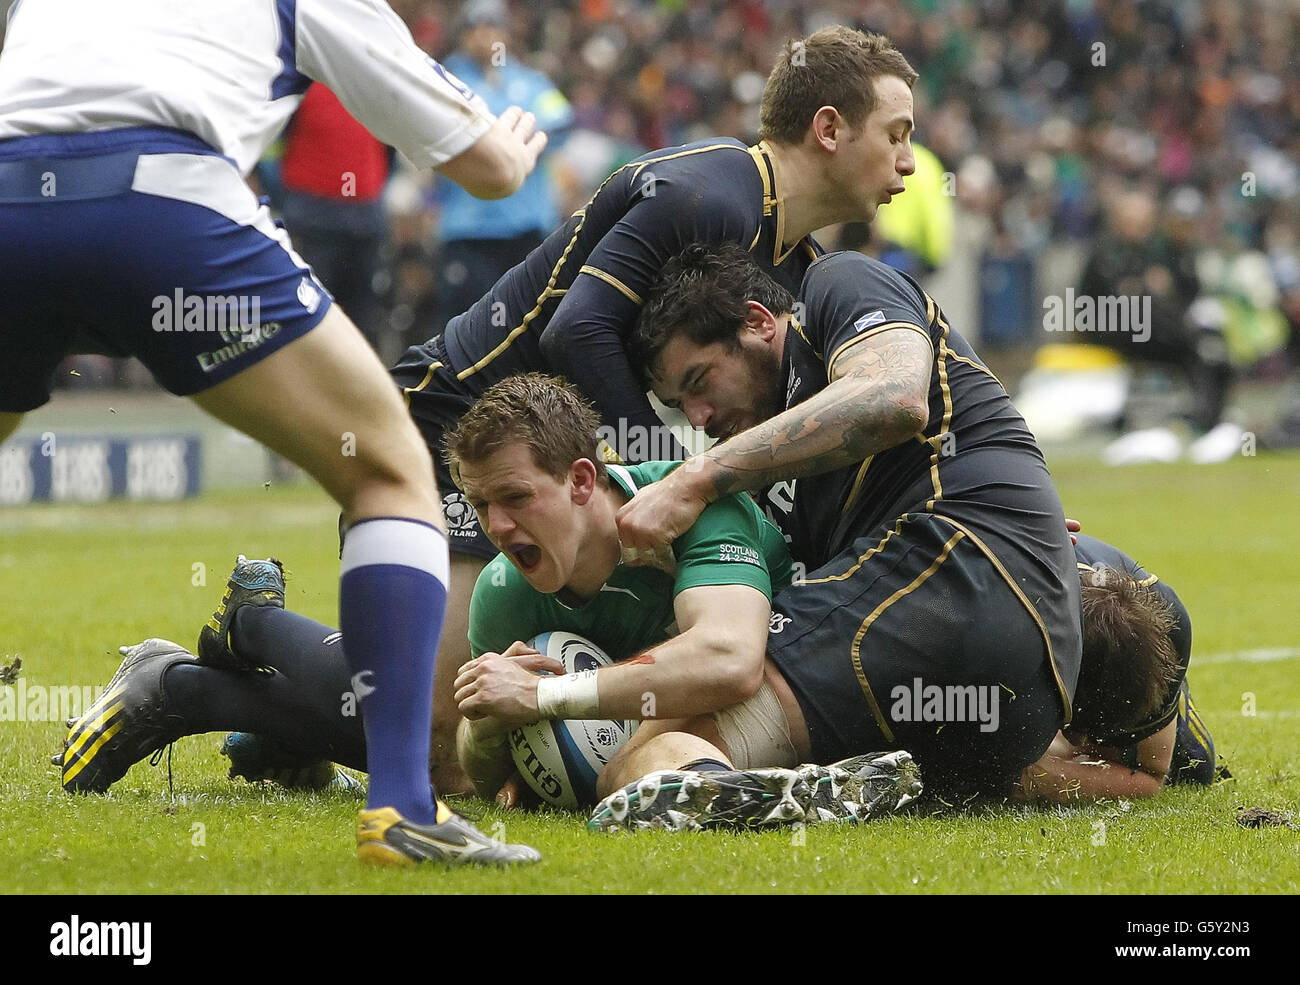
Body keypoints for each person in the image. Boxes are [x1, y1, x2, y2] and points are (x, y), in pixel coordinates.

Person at [64, 377, 1220, 822]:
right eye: (489, 511)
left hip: (675, 687)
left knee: (427, 738)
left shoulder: (710, 534)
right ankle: (226, 652)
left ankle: (209, 666)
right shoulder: (523, 596)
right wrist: (527, 720)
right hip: (641, 687)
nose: (502, 534)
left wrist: (553, 711)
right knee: (422, 738)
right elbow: (493, 766)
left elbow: (721, 661)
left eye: (516, 503)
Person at [1, 0, 546, 866]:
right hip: (163, 204)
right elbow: (483, 168)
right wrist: (514, 152)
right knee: (392, 469)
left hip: (8, 199)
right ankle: (402, 811)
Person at [384, 26, 920, 791]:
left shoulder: (796, 265)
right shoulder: (715, 193)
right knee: (444, 754)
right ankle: (230, 664)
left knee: (477, 732)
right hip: (458, 418)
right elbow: (579, 327)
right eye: (897, 135)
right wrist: (665, 476)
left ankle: (253, 697)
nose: (908, 161)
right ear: (829, 128)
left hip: (559, 467)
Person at [604, 242, 1083, 804]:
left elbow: (895, 398)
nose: (699, 419)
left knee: (647, 757)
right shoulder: (769, 476)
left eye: (700, 381)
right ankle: (822, 789)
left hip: (952, 574)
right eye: (678, 406)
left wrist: (694, 478)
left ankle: (747, 802)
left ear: (758, 322)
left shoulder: (838, 284)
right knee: (649, 748)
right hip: (1017, 704)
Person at [428, 0, 574, 337]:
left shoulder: (529, 80)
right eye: (474, 28)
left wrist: (494, 141)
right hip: (469, 231)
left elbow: (561, 123)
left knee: (529, 322)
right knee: (464, 327)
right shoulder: (444, 80)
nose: (484, 36)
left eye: (492, 27)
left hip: (525, 228)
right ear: (461, 36)